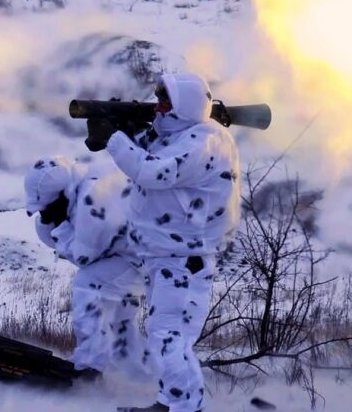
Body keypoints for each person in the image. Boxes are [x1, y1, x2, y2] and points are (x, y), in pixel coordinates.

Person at [89, 73, 241, 412]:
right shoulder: (178, 135)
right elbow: (147, 151)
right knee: (169, 337)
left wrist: (115, 138)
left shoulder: (204, 142)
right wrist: (124, 129)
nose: (158, 107)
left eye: (165, 101)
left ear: (185, 105)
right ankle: (169, 402)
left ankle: (188, 407)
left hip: (184, 260)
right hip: (165, 255)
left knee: (167, 337)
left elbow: (153, 171)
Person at [24, 156, 153, 380]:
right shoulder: (87, 181)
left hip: (145, 258)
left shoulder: (90, 201)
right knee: (119, 322)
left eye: (47, 209)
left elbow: (84, 257)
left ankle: (89, 367)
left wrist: (59, 228)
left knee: (89, 286)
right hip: (144, 254)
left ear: (60, 195)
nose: (45, 215)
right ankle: (142, 377)